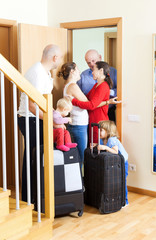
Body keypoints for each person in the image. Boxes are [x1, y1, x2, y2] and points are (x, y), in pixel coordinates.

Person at [18, 44, 63, 202]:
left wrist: (56, 116)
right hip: (30, 119)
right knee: (33, 157)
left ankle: (38, 197)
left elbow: (44, 100)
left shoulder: (45, 72)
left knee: (38, 157)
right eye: (60, 57)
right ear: (55, 58)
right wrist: (52, 122)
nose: (60, 60)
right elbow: (31, 105)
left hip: (37, 118)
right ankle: (29, 199)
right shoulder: (37, 72)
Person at [72, 61, 114, 144]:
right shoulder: (96, 85)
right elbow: (86, 98)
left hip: (99, 122)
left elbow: (92, 105)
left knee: (96, 148)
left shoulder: (103, 86)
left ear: (101, 71)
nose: (92, 73)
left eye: (94, 70)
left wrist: (73, 101)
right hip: (93, 120)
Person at [77, 49, 117, 122]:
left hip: (104, 113)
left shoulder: (112, 74)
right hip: (88, 113)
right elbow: (80, 94)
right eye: (89, 63)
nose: (92, 64)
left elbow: (93, 105)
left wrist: (109, 93)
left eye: (93, 61)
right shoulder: (83, 76)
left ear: (100, 57)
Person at [97, 120, 129, 205]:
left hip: (123, 163)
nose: (99, 132)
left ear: (108, 131)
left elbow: (115, 152)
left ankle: (125, 201)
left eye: (101, 130)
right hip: (115, 163)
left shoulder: (112, 140)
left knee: (122, 181)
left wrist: (105, 148)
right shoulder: (102, 139)